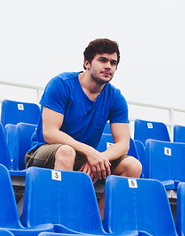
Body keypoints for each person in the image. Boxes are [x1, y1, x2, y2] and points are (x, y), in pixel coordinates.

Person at [25, 38, 141, 181]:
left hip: (84, 156)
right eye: (102, 60)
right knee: (66, 152)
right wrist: (90, 151)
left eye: (113, 63)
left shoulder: (116, 98)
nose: (108, 66)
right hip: (46, 152)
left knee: (133, 166)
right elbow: (50, 133)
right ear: (87, 63)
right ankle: (67, 203)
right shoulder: (61, 84)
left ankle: (97, 205)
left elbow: (123, 144)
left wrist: (100, 157)